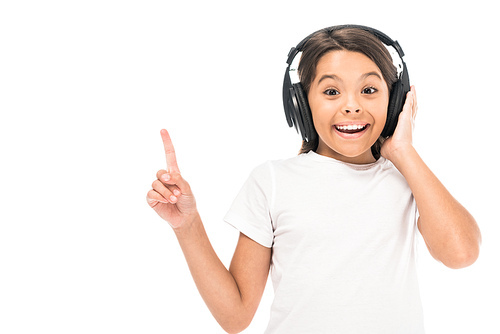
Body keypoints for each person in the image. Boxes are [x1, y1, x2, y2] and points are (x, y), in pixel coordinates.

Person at [146, 25, 482, 334]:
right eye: (332, 92)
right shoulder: (273, 181)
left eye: (368, 89)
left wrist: (403, 151)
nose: (351, 106)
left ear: (394, 101)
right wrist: (186, 225)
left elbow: (461, 253)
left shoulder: (408, 178)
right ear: (301, 103)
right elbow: (236, 317)